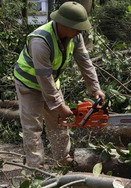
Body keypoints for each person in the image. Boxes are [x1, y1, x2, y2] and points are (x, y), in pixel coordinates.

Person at [14, 1, 105, 168]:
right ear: (64, 24)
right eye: (77, 26)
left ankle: (62, 159)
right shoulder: (40, 41)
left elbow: (84, 62)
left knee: (59, 123)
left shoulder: (75, 36)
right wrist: (58, 105)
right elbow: (44, 77)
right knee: (33, 127)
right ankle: (35, 167)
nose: (80, 30)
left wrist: (95, 88)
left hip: (51, 83)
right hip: (28, 84)